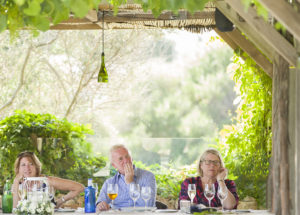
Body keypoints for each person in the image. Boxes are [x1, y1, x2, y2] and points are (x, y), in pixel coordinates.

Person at [12, 151, 85, 208]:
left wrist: (60, 201)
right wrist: (16, 183)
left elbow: (79, 188)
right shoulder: (18, 185)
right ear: (18, 168)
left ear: (36, 166)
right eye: (23, 165)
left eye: (31, 164)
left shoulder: (47, 181)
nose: (27, 168)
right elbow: (15, 209)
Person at [96, 144, 156, 211]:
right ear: (114, 165)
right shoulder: (109, 182)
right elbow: (100, 203)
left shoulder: (148, 176)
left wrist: (130, 182)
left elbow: (149, 205)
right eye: (120, 159)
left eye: (127, 156)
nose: (126, 160)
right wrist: (101, 204)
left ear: (131, 158)